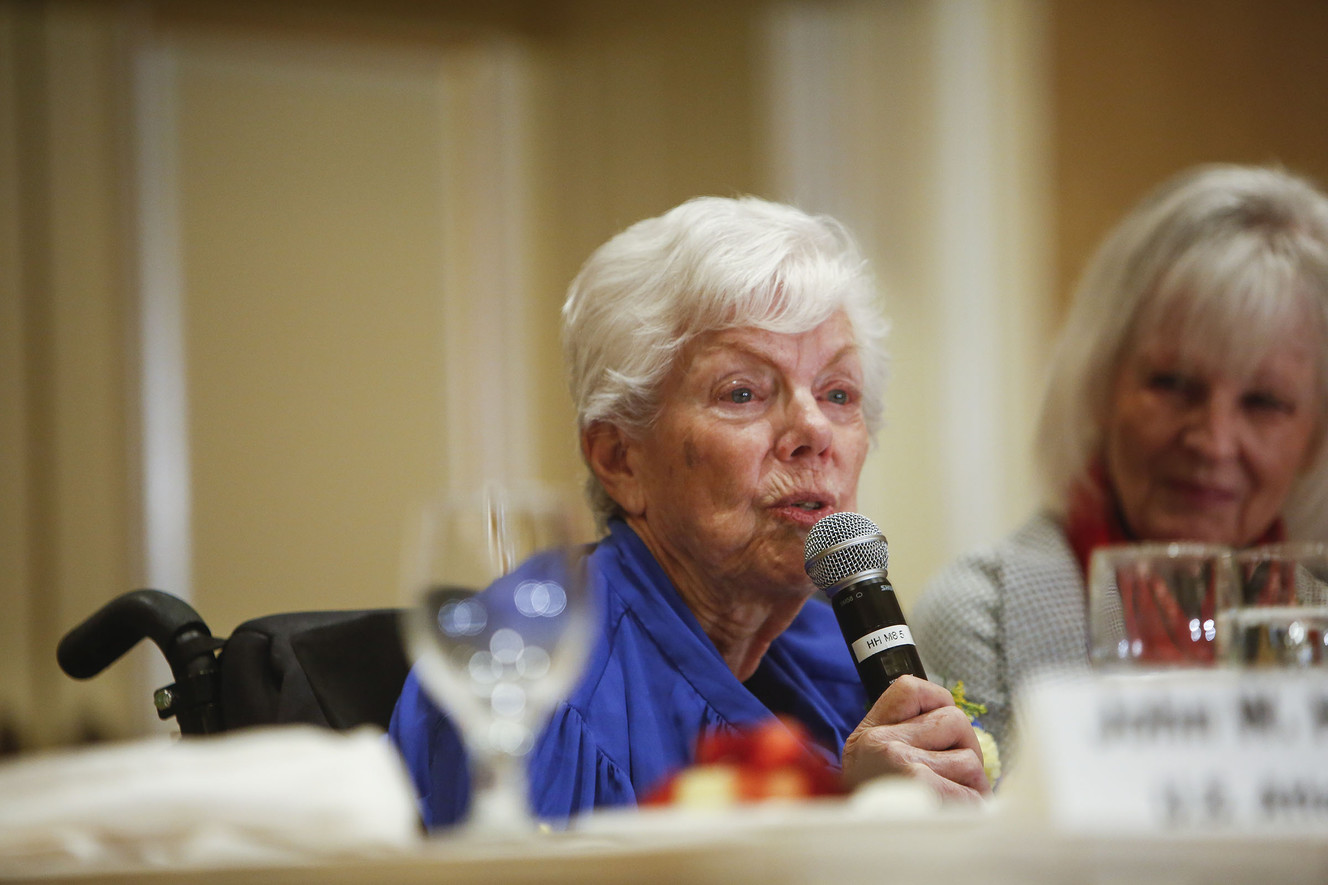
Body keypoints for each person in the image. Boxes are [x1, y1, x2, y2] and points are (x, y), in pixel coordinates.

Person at [390, 195, 990, 828]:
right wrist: (851, 821)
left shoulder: (839, 652)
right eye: (743, 392)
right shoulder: (529, 676)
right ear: (620, 458)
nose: (814, 430)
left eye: (838, 393)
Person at [912, 163, 1328, 757]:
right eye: (1175, 384)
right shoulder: (984, 616)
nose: (1213, 441)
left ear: (1315, 433)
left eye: (1263, 403)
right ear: (1100, 384)